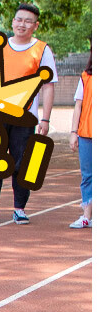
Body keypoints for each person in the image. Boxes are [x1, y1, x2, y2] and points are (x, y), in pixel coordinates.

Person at [0, 2, 58, 225]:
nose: (22, 24)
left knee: (21, 162)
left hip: (25, 117)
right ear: (13, 22)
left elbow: (49, 86)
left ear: (35, 25)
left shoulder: (42, 50)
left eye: (28, 21)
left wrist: (46, 119)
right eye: (19, 19)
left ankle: (19, 208)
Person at [69, 50, 92, 229]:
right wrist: (73, 132)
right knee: (88, 176)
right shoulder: (85, 78)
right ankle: (87, 215)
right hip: (87, 134)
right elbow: (78, 106)